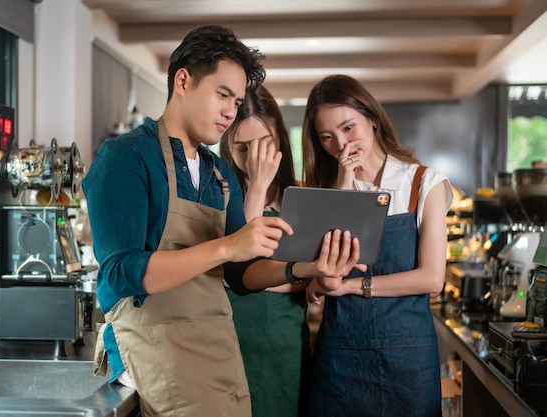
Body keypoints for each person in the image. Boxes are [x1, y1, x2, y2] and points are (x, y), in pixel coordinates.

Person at [83, 26, 360, 417]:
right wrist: (229, 245)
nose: (231, 110)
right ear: (183, 81)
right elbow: (120, 272)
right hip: (156, 349)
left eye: (237, 99)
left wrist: (305, 268)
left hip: (217, 349)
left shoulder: (219, 175)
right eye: (222, 94)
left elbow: (240, 273)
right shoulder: (126, 157)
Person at [301, 74, 453, 417]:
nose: (340, 144)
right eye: (327, 137)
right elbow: (326, 280)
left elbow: (431, 279)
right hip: (340, 356)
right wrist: (343, 184)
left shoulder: (423, 182)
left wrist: (351, 286)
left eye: (348, 128)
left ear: (372, 117)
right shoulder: (325, 191)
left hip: (408, 358)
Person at [220, 85, 311, 417]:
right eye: (243, 148)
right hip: (229, 334)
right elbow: (233, 269)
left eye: (265, 145)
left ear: (281, 141)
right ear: (228, 147)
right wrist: (257, 187)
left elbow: (312, 274)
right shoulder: (218, 193)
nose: (255, 158)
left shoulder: (300, 196)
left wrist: (293, 278)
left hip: (284, 338)